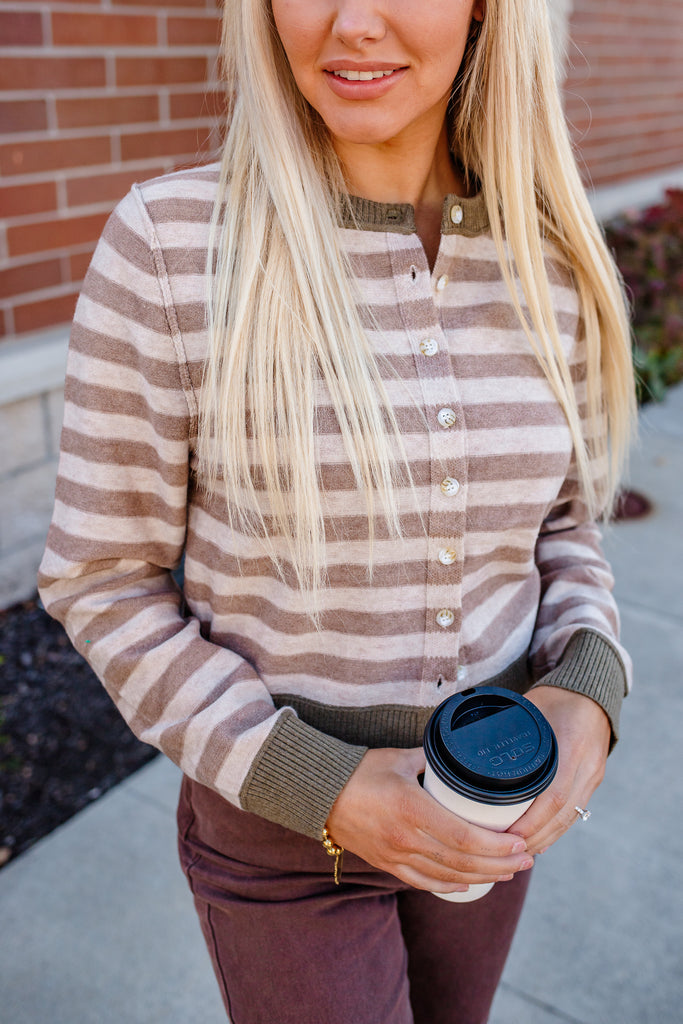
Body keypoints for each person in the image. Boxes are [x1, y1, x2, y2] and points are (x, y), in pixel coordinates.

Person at [38, 1, 637, 1021]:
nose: (351, 21)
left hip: (490, 801)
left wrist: (587, 679)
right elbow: (102, 579)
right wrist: (323, 784)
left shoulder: (551, 262)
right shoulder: (173, 248)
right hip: (278, 846)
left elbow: (560, 525)